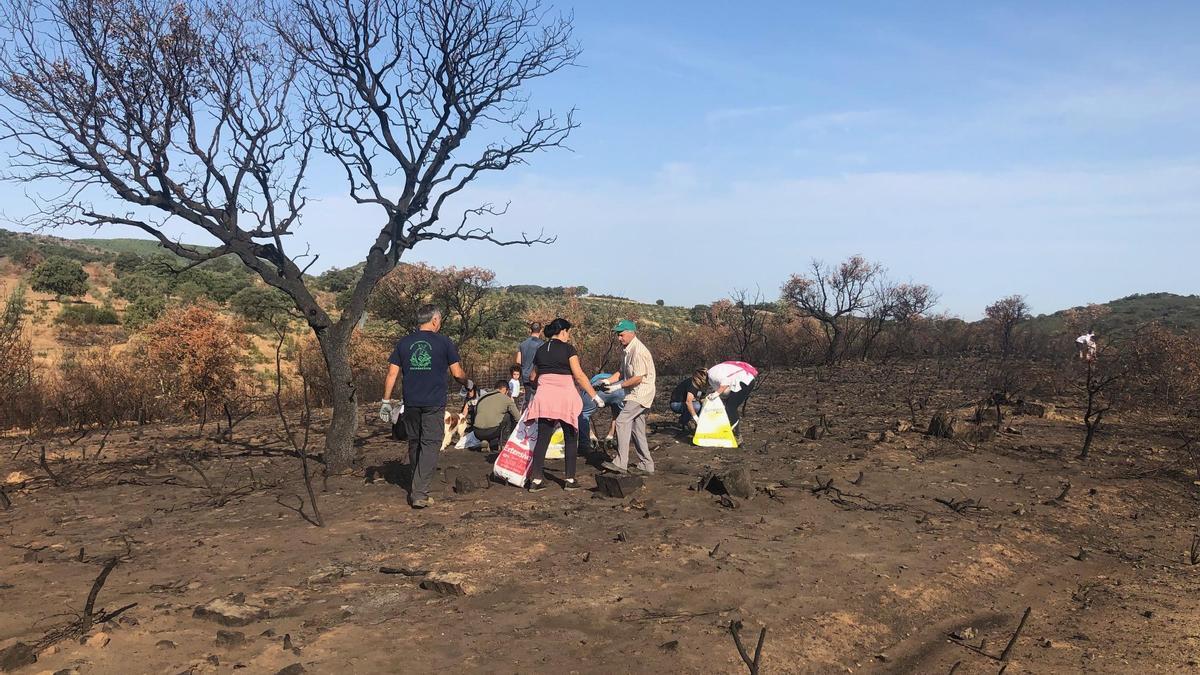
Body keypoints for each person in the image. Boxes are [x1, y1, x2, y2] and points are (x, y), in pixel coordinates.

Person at [380, 304, 472, 509]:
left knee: (415, 441)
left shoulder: (404, 343)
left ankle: (416, 481)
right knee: (431, 444)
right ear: (435, 320)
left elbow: (392, 374)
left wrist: (386, 401)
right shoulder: (444, 342)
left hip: (410, 403)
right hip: (433, 403)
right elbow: (457, 373)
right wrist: (469, 383)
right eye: (440, 320)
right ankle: (419, 493)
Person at [524, 318, 605, 492]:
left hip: (544, 399)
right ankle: (569, 479)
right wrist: (595, 396)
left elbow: (532, 377)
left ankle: (536, 480)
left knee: (542, 438)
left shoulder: (540, 350)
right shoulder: (569, 349)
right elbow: (579, 375)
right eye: (568, 332)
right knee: (570, 438)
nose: (568, 336)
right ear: (563, 331)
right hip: (565, 399)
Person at [598, 320, 656, 475]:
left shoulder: (639, 351)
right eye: (618, 334)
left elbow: (637, 377)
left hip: (641, 393)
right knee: (637, 429)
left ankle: (621, 462)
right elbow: (621, 372)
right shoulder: (627, 350)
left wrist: (617, 386)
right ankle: (646, 465)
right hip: (633, 393)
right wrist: (608, 381)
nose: (619, 338)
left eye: (621, 334)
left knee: (622, 421)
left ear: (632, 333)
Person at [705, 361, 758, 442]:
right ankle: (730, 430)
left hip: (744, 381)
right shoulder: (713, 371)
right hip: (746, 378)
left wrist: (715, 394)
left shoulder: (712, 375)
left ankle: (737, 436)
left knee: (730, 408)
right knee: (729, 407)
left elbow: (725, 383)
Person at [578, 372, 624, 455]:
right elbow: (616, 416)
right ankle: (615, 440)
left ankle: (586, 443)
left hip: (596, 388)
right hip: (618, 390)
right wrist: (611, 433)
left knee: (584, 414)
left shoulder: (592, 380)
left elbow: (584, 415)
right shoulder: (615, 377)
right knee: (620, 415)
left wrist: (591, 434)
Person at [472, 379, 521, 450]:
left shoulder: (482, 397)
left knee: (488, 414)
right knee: (508, 415)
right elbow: (518, 418)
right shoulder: (506, 399)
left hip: (477, 432)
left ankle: (485, 440)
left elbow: (476, 413)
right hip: (492, 431)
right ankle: (503, 444)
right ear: (505, 389)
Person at [514, 321, 544, 407]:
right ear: (540, 330)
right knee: (537, 402)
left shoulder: (522, 344)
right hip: (536, 377)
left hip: (525, 375)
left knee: (528, 400)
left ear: (530, 330)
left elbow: (518, 361)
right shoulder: (541, 344)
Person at [670, 368, 708, 433]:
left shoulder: (702, 386)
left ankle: (696, 424)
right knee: (696, 406)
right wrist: (696, 418)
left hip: (684, 402)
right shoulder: (692, 385)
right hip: (676, 403)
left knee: (703, 405)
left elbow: (701, 398)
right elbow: (688, 402)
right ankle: (684, 422)